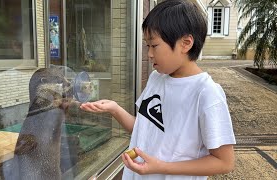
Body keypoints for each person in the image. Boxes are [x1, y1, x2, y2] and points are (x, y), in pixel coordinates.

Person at [80, 0, 236, 179]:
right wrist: (114, 109)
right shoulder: (156, 79)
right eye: (147, 46)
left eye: (154, 45)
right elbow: (143, 129)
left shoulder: (206, 94)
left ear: (185, 43)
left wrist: (162, 167)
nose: (149, 54)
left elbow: (225, 162)